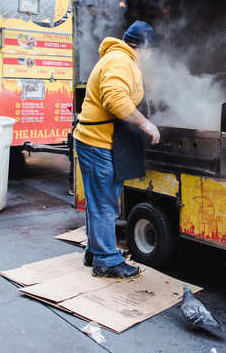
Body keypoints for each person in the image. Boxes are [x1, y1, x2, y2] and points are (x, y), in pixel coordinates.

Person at [73, 20, 161, 279]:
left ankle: (96, 251)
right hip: (97, 142)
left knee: (98, 202)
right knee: (104, 204)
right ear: (142, 47)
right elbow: (115, 98)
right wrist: (145, 123)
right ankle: (106, 262)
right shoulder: (121, 61)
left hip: (93, 140)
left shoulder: (118, 59)